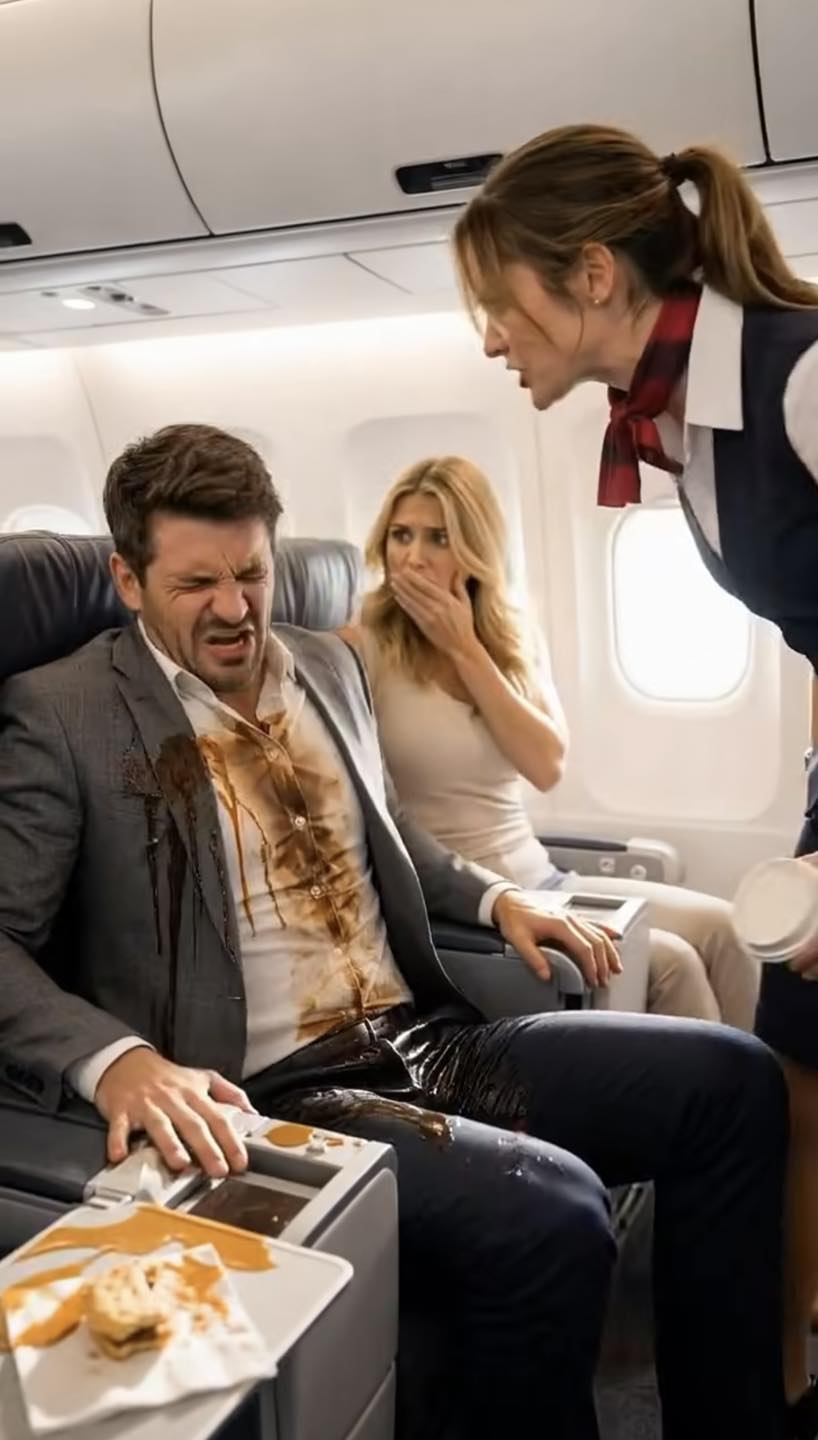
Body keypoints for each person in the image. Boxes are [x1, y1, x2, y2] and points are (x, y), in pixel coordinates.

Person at [0, 423, 788, 1440]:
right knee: (556, 1211)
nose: (234, 609)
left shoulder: (326, 668)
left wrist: (495, 899)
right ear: (127, 579)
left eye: (251, 574)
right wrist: (117, 1062)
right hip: (274, 1093)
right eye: (196, 584)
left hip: (425, 1038)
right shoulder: (64, 712)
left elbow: (388, 835)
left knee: (733, 1082)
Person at [452, 120, 818, 1438]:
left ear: (593, 275)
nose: (489, 338)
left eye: (497, 300)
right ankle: (777, 1393)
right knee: (788, 1072)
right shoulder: (679, 426)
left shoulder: (797, 377)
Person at [346, 452, 760, 1029]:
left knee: (727, 932)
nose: (414, 556)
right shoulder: (360, 646)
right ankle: (714, 1088)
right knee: (672, 964)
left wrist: (464, 648)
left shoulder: (507, 636)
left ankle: (758, 1087)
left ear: (474, 549)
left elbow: (545, 766)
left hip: (542, 877)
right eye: (401, 535)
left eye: (438, 538)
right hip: (473, 900)